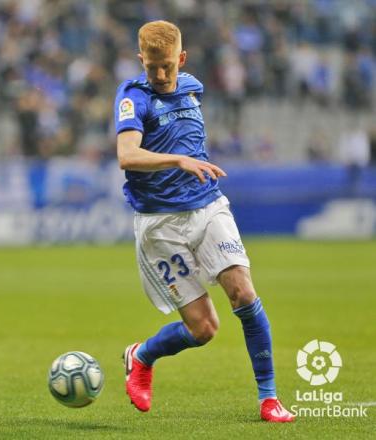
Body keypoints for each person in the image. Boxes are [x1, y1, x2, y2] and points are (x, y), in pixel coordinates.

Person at [113, 21, 294, 422]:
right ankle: (141, 356)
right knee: (204, 329)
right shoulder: (132, 97)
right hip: (160, 225)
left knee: (243, 294)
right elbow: (127, 155)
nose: (160, 76)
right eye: (152, 67)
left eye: (168, 68)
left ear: (182, 59)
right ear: (141, 59)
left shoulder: (192, 86)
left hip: (207, 207)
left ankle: (269, 399)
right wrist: (178, 159)